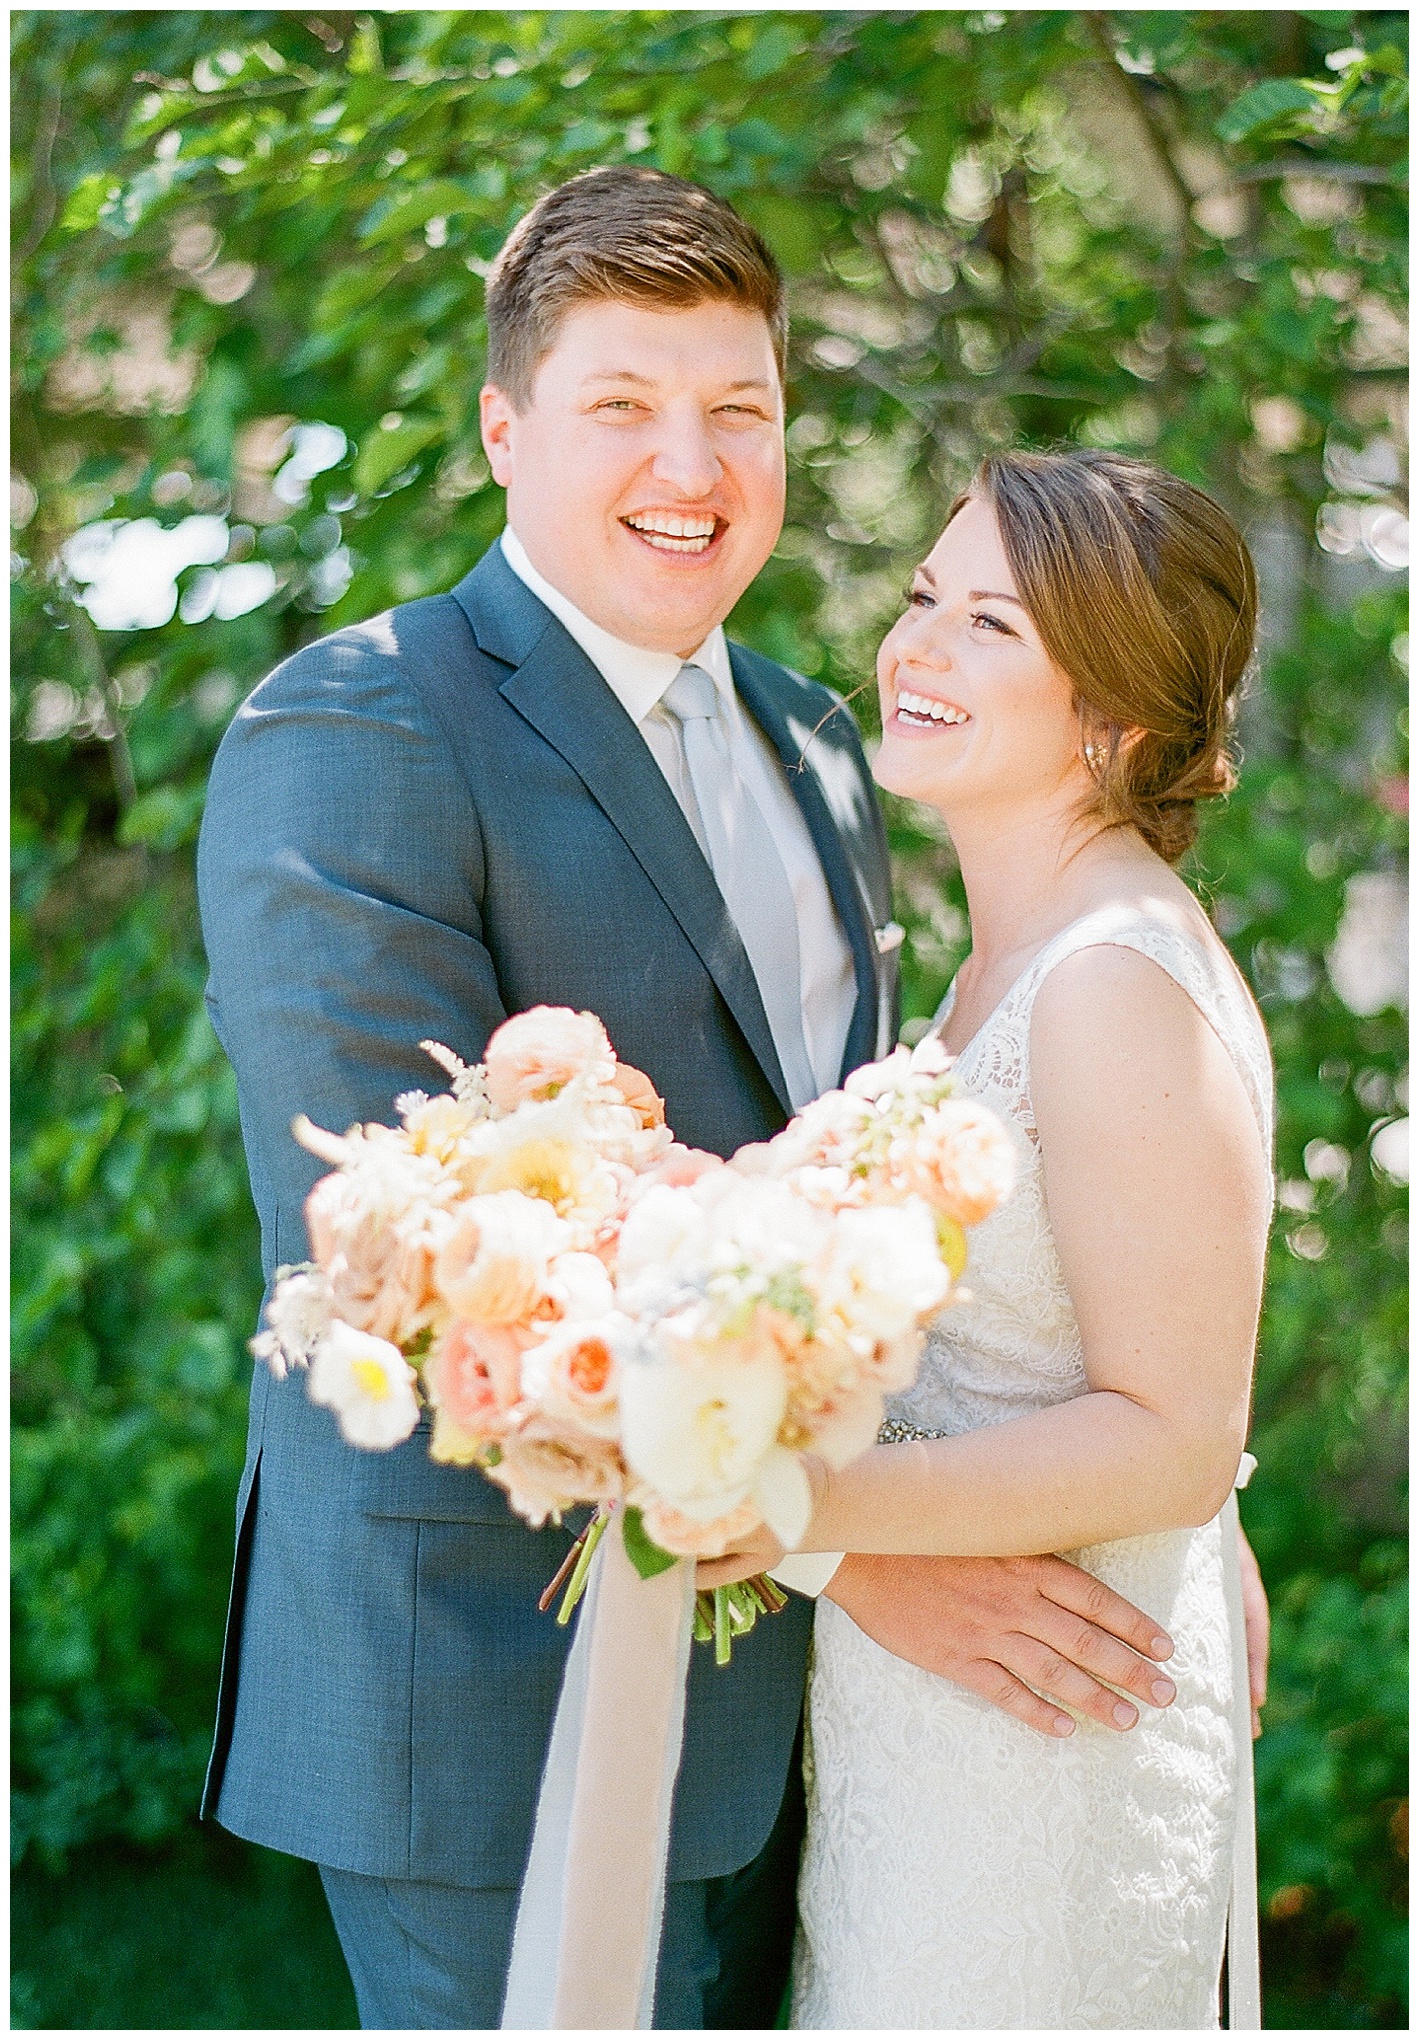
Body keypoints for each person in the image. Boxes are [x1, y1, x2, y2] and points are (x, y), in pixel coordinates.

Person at [197, 166, 1264, 2030]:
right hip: (493, 1712)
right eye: (622, 404)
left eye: (740, 410)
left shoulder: (823, 745)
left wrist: (1176, 1491)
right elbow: (422, 1265)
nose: (689, 464)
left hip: (817, 1729)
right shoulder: (362, 726)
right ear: (505, 428)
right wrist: (848, 1547)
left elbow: (908, 1218)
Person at [702, 448, 1273, 2027]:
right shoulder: (995, 965)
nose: (915, 652)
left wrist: (793, 1508)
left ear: (1119, 716)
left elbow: (1174, 1438)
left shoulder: (1109, 982)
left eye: (992, 627)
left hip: (1044, 1773)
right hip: (937, 1748)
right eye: (921, 601)